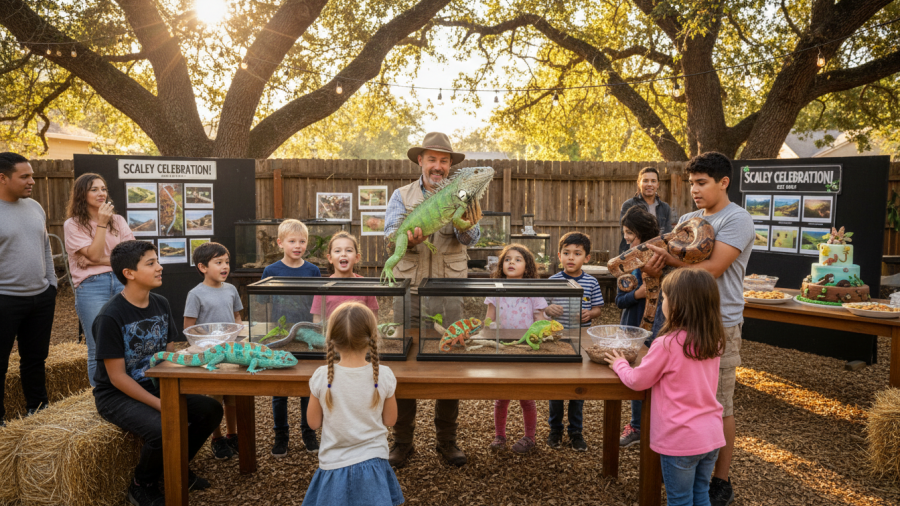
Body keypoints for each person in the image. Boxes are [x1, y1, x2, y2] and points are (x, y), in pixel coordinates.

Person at [641, 151, 754, 506]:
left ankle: (718, 480)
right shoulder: (689, 219)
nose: (694, 190)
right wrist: (654, 266)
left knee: (719, 403)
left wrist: (669, 261)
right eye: (691, 183)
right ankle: (681, 458)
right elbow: (668, 257)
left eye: (702, 183)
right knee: (676, 394)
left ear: (724, 182)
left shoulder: (738, 220)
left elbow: (713, 268)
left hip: (718, 323)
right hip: (678, 321)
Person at [92, 240, 223, 506]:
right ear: (129, 273)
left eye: (157, 261)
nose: (160, 268)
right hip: (116, 395)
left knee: (210, 409)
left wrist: (198, 364)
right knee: (165, 426)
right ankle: (142, 484)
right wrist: (162, 405)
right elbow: (117, 378)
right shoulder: (110, 316)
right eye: (151, 264)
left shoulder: (161, 304)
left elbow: (168, 353)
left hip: (156, 382)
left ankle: (174, 466)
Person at [384, 132, 481, 468]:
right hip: (409, 291)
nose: (437, 166)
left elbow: (473, 237)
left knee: (450, 365)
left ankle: (447, 441)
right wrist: (409, 241)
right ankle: (402, 442)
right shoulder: (401, 195)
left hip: (450, 289)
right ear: (420, 162)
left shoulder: (465, 191)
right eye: (431, 159)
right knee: (402, 365)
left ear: (450, 165)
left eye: (443, 160)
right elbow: (389, 236)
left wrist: (465, 225)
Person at [605, 268, 727, 506]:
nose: (663, 303)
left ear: (678, 305)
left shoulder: (667, 344)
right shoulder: (715, 340)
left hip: (680, 440)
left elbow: (638, 380)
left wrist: (619, 364)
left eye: (665, 298)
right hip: (711, 434)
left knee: (680, 501)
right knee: (701, 495)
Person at [303, 302, 402, 506]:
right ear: (372, 338)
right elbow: (391, 420)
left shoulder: (322, 376)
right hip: (374, 465)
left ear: (331, 340)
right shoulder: (383, 375)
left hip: (333, 467)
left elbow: (312, 423)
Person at [0, 152, 57, 427]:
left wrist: (52, 285)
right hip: (5, 300)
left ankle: (38, 409)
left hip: (41, 298)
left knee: (35, 359)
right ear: (3, 178)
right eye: (24, 176)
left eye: (32, 175)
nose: (32, 181)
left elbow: (45, 246)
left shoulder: (34, 206)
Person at [64, 172, 135, 387]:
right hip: (92, 287)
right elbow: (96, 254)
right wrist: (102, 224)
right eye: (94, 189)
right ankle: (102, 397)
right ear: (81, 194)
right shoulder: (73, 224)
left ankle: (129, 391)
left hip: (123, 283)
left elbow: (130, 255)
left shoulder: (119, 220)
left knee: (127, 341)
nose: (101, 193)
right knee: (98, 345)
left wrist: (96, 261)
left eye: (103, 188)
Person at [263, 219, 322, 457]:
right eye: (292, 241)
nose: (297, 245)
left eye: (302, 241)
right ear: (280, 243)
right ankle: (281, 435)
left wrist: (317, 329)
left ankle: (309, 433)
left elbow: (318, 303)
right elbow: (265, 305)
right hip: (280, 335)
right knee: (280, 389)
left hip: (306, 333)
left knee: (307, 386)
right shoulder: (271, 271)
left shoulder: (313, 270)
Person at [544, 232, 604, 451]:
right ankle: (555, 430)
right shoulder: (553, 281)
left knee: (579, 389)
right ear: (559, 256)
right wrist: (549, 309)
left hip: (581, 341)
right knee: (557, 388)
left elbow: (598, 308)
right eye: (567, 253)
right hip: (557, 341)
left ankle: (576, 432)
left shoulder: (591, 282)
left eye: (577, 254)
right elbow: (543, 308)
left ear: (586, 258)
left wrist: (591, 314)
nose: (571, 258)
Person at [183, 242, 243, 460]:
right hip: (211, 356)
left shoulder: (232, 290)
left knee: (233, 396)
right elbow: (188, 327)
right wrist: (204, 346)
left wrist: (238, 334)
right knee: (214, 397)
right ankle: (217, 438)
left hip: (231, 352)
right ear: (202, 267)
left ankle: (233, 434)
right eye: (218, 262)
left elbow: (237, 317)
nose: (225, 266)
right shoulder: (195, 294)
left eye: (226, 262)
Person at [485, 244, 545, 454]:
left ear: (527, 267)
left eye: (518, 259)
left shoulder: (534, 291)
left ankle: (530, 437)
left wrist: (546, 325)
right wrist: (484, 328)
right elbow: (488, 317)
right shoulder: (495, 289)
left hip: (525, 350)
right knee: (501, 396)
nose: (511, 262)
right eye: (508, 259)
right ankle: (500, 436)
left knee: (526, 396)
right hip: (502, 348)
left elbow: (539, 319)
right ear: (501, 265)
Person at [616, 206, 660, 448]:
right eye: (625, 232)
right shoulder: (628, 260)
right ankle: (636, 425)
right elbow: (619, 300)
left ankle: (655, 427)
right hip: (631, 328)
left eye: (630, 233)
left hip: (657, 330)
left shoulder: (662, 258)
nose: (627, 237)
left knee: (657, 379)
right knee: (637, 376)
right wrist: (639, 293)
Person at [310, 232, 379, 321]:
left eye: (349, 250)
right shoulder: (323, 287)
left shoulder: (366, 285)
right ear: (330, 258)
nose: (343, 254)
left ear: (357, 257)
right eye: (337, 251)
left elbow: (373, 317)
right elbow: (317, 319)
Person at [618, 167, 674, 254]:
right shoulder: (629, 205)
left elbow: (667, 234)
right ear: (638, 183)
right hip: (632, 253)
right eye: (645, 181)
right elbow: (627, 234)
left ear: (658, 184)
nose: (649, 184)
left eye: (653, 181)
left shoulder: (665, 207)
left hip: (658, 253)